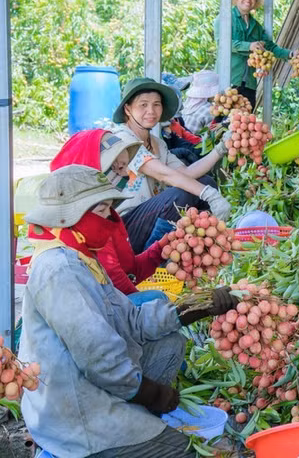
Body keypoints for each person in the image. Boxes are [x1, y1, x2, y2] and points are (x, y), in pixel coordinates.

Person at [19, 165, 239, 458]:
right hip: (76, 415)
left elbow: (132, 320)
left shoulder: (82, 258)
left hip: (91, 386)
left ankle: (136, 417)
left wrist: (195, 307)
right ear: (70, 216)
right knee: (185, 453)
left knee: (169, 343)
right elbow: (99, 358)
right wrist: (151, 393)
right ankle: (121, 435)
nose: (110, 218)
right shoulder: (60, 270)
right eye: (101, 211)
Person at [111, 77, 232, 253]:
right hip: (126, 228)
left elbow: (186, 174)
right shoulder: (123, 139)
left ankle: (196, 248)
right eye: (143, 105)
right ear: (127, 109)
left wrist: (220, 150)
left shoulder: (157, 143)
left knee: (206, 182)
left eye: (156, 104)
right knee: (180, 194)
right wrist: (209, 195)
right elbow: (164, 175)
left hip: (149, 218)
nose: (151, 111)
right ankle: (152, 257)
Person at [50, 129, 171, 302]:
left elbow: (130, 271)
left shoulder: (105, 213)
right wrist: (142, 309)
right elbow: (116, 281)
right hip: (95, 308)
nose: (123, 174)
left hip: (107, 304)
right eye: (115, 167)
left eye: (123, 166)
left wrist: (159, 250)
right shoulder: (86, 224)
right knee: (156, 300)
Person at [213, 0, 299, 107]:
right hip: (227, 80)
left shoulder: (256, 26)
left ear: (255, 1)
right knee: (223, 117)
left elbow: (270, 47)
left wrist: (291, 54)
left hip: (249, 84)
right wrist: (249, 46)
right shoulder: (224, 18)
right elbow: (222, 44)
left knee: (246, 118)